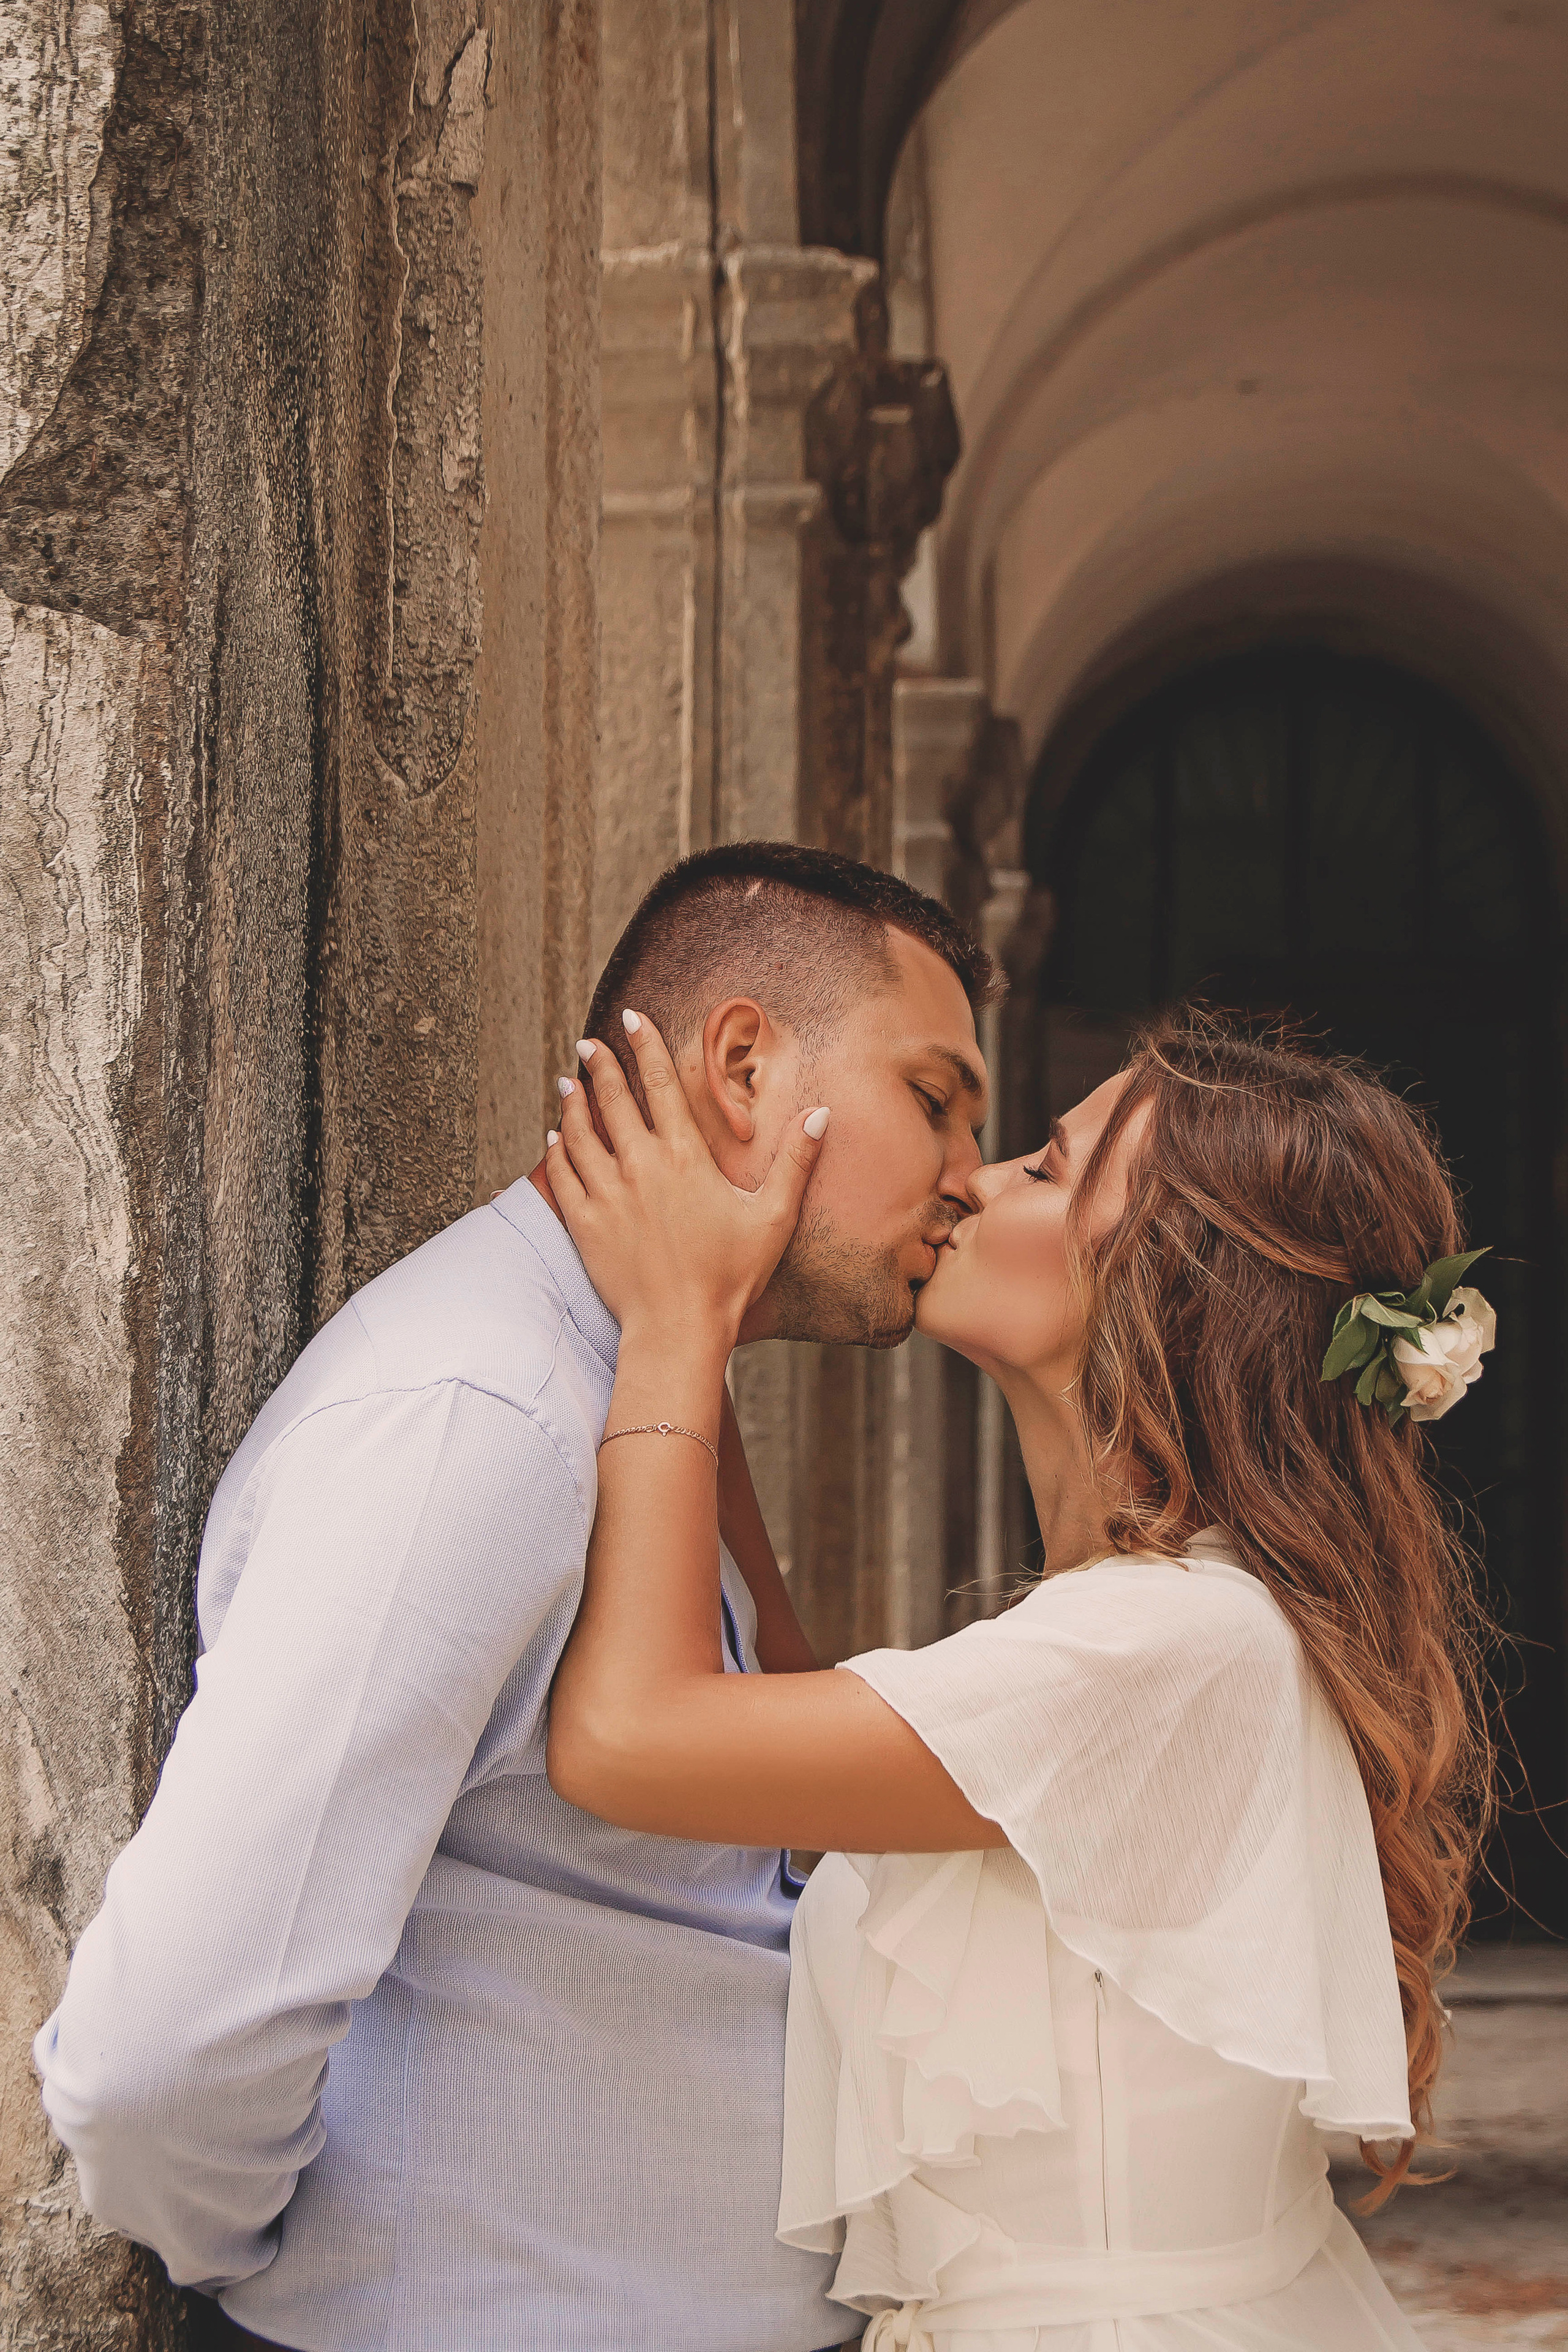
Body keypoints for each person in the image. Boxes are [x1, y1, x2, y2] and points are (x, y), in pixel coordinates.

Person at [33, 842, 1001, 2352]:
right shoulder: (476, 1421)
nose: (966, 1176)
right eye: (933, 1099)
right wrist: (328, 2287)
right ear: (745, 1063)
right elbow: (159, 2056)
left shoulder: (626, 1388)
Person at [543, 1001, 1495, 2351]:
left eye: (1043, 1169)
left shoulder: (1165, 1648)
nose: (970, 1181)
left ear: (1172, 1280)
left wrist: (672, 1320)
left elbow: (625, 1740)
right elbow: (814, 1788)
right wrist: (723, 1339)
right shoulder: (1144, 1629)